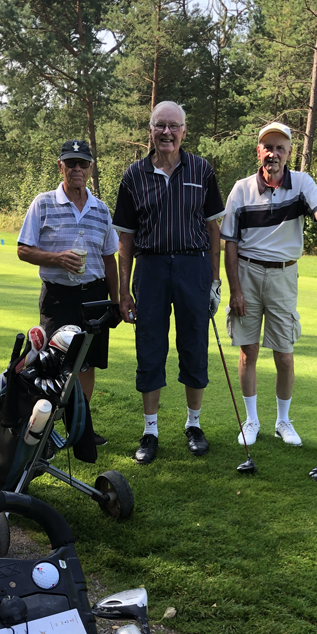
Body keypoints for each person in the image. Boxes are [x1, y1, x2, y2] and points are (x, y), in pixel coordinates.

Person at [220, 122, 317, 447]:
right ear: (259, 151)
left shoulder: (301, 183)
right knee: (248, 352)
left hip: (283, 276)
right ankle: (252, 420)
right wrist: (235, 290)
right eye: (268, 147)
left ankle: (283, 421)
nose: (273, 154)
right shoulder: (241, 189)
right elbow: (230, 243)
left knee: (284, 354)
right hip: (247, 274)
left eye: (280, 148)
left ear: (289, 152)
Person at [114, 101, 225, 465]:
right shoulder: (134, 175)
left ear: (184, 131)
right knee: (150, 348)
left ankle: (194, 424)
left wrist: (215, 280)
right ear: (150, 130)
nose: (166, 132)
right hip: (151, 267)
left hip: (193, 267)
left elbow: (213, 229)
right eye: (160, 125)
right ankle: (150, 430)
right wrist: (124, 290)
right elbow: (126, 238)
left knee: (194, 345)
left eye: (173, 126)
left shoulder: (202, 169)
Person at [17, 139, 119, 446]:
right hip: (58, 296)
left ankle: (80, 427)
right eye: (70, 163)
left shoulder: (101, 209)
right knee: (51, 363)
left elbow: (109, 258)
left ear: (90, 168)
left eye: (82, 163)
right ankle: (45, 430)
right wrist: (57, 258)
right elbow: (23, 250)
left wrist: (115, 301)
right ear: (60, 166)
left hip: (94, 297)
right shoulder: (43, 203)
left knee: (86, 362)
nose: (77, 168)